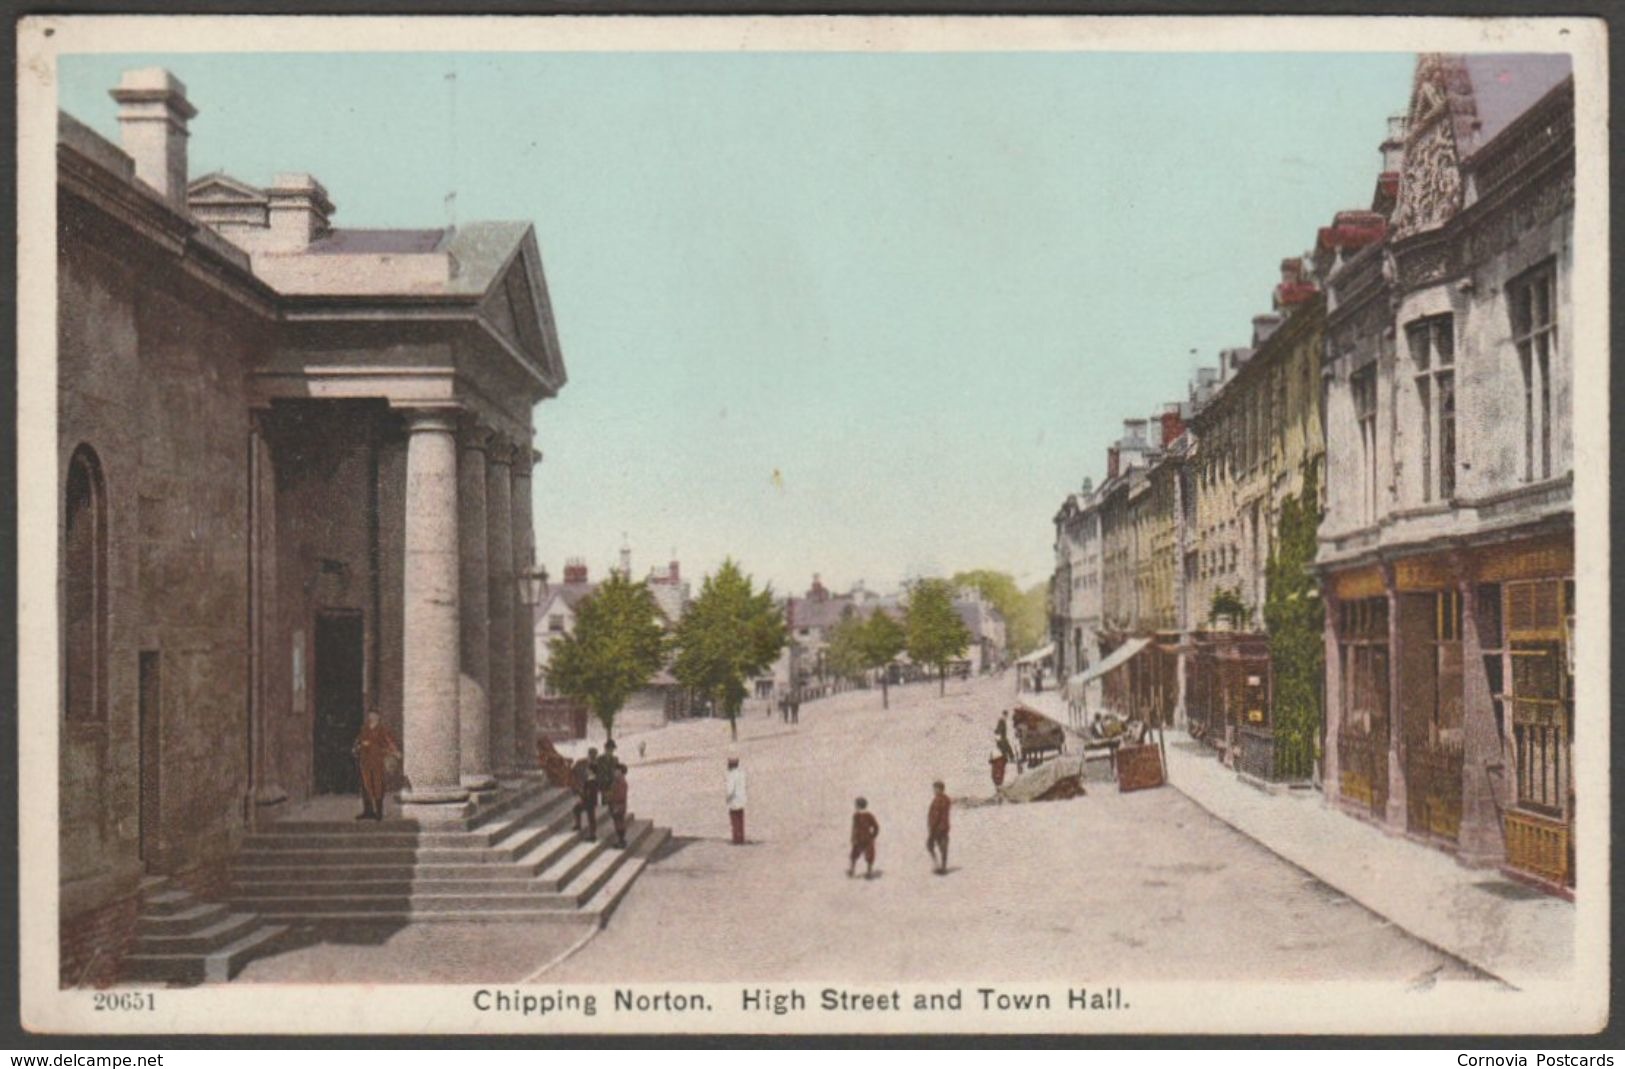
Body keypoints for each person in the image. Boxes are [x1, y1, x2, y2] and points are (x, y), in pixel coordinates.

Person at [351, 710, 401, 821]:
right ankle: (368, 811)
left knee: (378, 785)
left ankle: (378, 812)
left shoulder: (382, 729)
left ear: (378, 717)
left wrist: (395, 751)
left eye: (374, 715)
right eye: (370, 715)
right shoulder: (365, 728)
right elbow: (359, 740)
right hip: (365, 761)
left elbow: (389, 741)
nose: (372, 717)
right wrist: (357, 747)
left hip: (377, 761)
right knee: (366, 785)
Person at [848, 797, 880, 879]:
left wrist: (853, 837)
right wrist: (873, 836)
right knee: (867, 855)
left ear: (858, 806)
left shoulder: (858, 816)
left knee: (855, 855)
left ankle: (853, 870)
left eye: (856, 805)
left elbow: (854, 828)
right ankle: (867, 872)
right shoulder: (860, 815)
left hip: (860, 839)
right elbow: (876, 827)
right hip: (866, 838)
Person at [572, 746, 599, 840]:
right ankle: (580, 826)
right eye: (592, 755)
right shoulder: (583, 763)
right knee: (579, 810)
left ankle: (592, 834)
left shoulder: (596, 767)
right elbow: (574, 770)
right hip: (588, 796)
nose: (593, 757)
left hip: (589, 796)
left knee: (589, 814)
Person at [927, 780, 951, 874]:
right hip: (945, 827)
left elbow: (935, 816)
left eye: (935, 789)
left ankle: (938, 866)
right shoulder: (946, 799)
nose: (934, 790)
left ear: (940, 789)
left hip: (937, 828)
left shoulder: (938, 800)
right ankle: (943, 866)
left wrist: (931, 828)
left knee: (930, 845)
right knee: (943, 847)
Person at [606, 762, 630, 849]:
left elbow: (620, 795)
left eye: (616, 770)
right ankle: (621, 840)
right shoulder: (618, 781)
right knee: (618, 823)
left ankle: (621, 841)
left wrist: (612, 800)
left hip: (618, 805)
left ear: (620, 771)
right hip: (617, 805)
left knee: (619, 823)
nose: (614, 772)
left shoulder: (621, 782)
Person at [725, 756, 747, 845]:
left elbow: (730, 789)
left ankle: (736, 839)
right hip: (742, 799)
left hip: (734, 800)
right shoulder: (741, 773)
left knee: (735, 821)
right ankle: (741, 838)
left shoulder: (731, 775)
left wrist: (727, 798)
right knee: (741, 820)